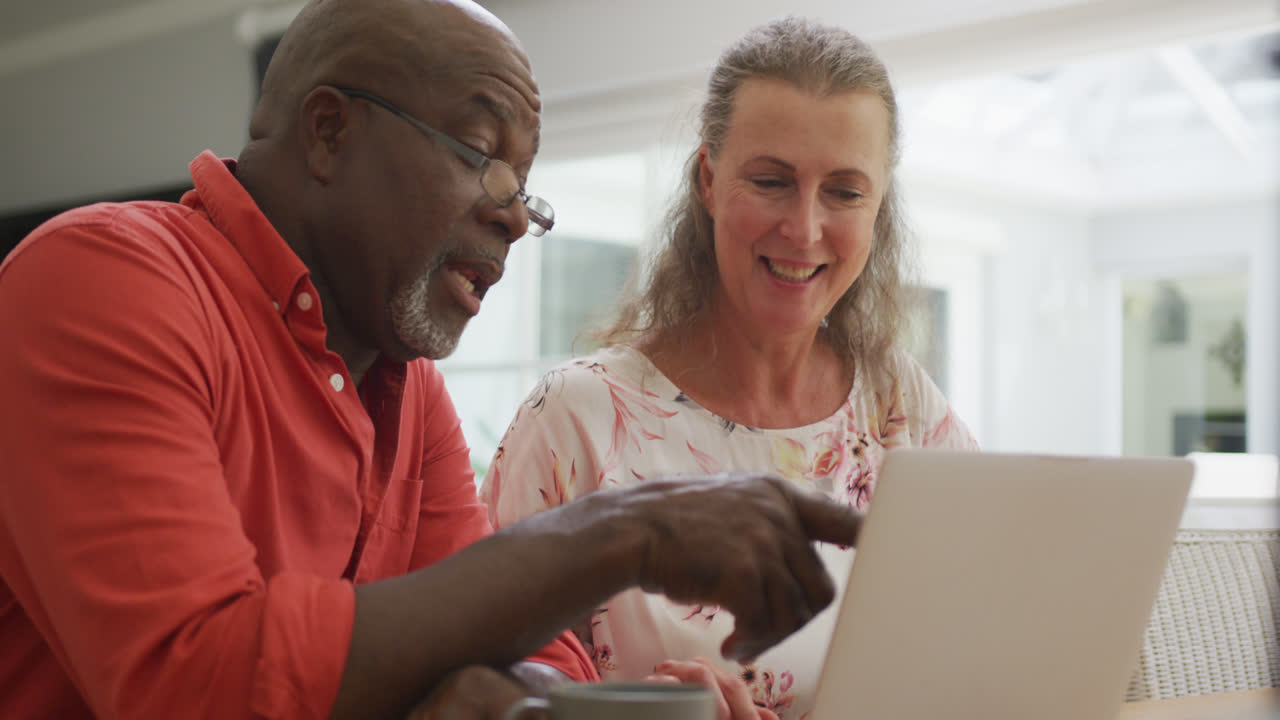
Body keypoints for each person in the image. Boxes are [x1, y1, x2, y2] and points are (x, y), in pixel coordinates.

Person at [0, 2, 864, 719]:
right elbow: (194, 683)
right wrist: (622, 533)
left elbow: (522, 642)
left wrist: (546, 698)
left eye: (524, 187)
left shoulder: (406, 389)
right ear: (330, 132)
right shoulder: (105, 279)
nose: (516, 217)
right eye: (484, 158)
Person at [482, 16, 979, 719]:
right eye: (772, 181)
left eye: (844, 191)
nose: (804, 229)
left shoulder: (901, 406)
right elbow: (482, 679)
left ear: (878, 207)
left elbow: (982, 639)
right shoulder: (574, 420)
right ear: (708, 181)